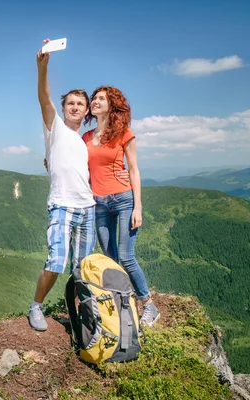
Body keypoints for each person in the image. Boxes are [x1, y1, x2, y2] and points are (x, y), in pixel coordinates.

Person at [29, 40, 97, 331]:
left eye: (80, 104)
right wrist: (42, 67)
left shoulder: (85, 141)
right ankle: (36, 307)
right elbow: (44, 97)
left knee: (82, 268)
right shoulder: (53, 126)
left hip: (88, 206)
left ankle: (79, 314)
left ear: (85, 112)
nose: (74, 107)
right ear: (63, 107)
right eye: (70, 102)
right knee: (56, 260)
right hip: (62, 204)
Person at [81, 86, 160, 327]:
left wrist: (138, 207)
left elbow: (134, 170)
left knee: (126, 257)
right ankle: (122, 300)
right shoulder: (86, 137)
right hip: (99, 203)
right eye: (94, 98)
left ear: (112, 105)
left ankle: (148, 305)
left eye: (101, 99)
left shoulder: (125, 133)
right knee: (110, 257)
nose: (95, 101)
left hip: (124, 199)